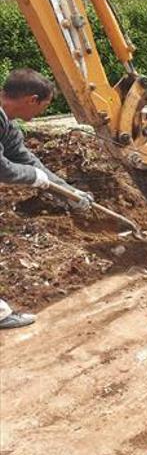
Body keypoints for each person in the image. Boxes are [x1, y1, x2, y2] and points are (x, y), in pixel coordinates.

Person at [1, 68, 93, 329]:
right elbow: (4, 168)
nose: (41, 112)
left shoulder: (6, 124)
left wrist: (68, 192)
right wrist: (32, 176)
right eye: (44, 105)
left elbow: (25, 159)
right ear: (32, 99)